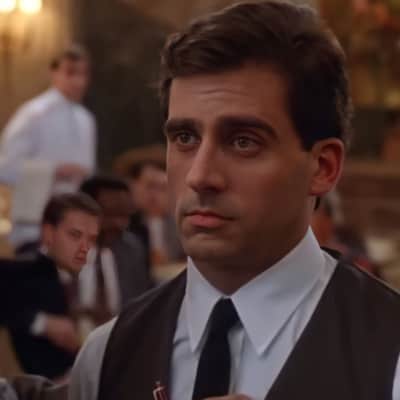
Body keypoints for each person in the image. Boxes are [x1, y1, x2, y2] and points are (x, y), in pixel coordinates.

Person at [69, 2, 400, 400]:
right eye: (185, 138)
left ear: (323, 167)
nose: (200, 176)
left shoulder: (388, 354)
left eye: (243, 142)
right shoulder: (106, 358)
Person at [0, 44, 97, 250]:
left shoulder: (86, 120)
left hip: (75, 229)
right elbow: (5, 167)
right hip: (35, 228)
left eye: (83, 74)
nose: (78, 81)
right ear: (54, 73)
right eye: (70, 72)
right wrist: (54, 170)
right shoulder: (33, 114)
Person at [4, 193, 100, 380]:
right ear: (48, 233)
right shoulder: (21, 269)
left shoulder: (97, 271)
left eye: (92, 239)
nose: (85, 247)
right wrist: (43, 323)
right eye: (75, 235)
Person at [78, 176, 152, 328]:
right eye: (110, 214)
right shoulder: (58, 249)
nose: (119, 224)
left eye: (125, 215)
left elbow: (142, 304)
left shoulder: (132, 250)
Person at [126, 158, 184, 267]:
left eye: (163, 188)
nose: (155, 195)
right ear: (134, 186)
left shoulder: (179, 224)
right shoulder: (125, 224)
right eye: (150, 186)